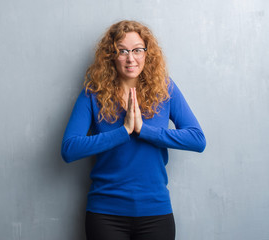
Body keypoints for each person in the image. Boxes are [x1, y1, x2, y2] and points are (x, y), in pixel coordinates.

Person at [61, 20, 206, 240]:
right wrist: (124, 131)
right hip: (105, 213)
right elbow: (69, 149)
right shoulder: (93, 93)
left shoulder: (165, 88)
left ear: (147, 53)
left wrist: (143, 130)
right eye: (123, 51)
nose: (131, 58)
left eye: (138, 50)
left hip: (156, 213)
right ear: (111, 55)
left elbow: (197, 139)